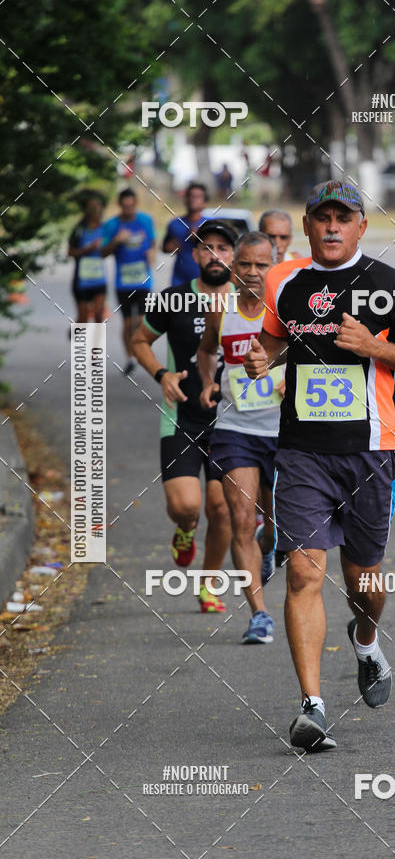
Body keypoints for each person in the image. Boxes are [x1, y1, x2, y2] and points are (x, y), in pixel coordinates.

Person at [244, 180, 395, 752]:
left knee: (365, 582)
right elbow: (277, 340)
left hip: (370, 451)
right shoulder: (284, 280)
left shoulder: (385, 284)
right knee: (304, 573)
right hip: (301, 451)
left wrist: (374, 346)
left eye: (343, 217)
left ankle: (367, 634)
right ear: (307, 227)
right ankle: (312, 707)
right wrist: (264, 355)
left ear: (360, 227)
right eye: (321, 217)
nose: (331, 227)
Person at [131, 221, 239, 612]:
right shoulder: (173, 299)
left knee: (222, 507)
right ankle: (184, 530)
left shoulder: (246, 302)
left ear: (234, 256)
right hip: (181, 418)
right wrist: (162, 375)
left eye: (223, 248)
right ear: (195, 255)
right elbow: (139, 340)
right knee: (187, 507)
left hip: (231, 422)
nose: (215, 255)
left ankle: (208, 584)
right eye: (207, 247)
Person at [197, 232, 280, 643]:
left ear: (274, 266)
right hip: (235, 429)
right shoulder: (221, 308)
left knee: (279, 526)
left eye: (261, 265)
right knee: (240, 519)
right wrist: (209, 381)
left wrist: (288, 380)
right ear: (234, 267)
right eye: (244, 264)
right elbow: (206, 350)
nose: (251, 272)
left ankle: (270, 546)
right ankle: (259, 615)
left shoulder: (287, 309)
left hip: (285, 431)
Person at [102, 188, 155, 374]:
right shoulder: (112, 225)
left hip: (143, 281)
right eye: (125, 206)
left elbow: (152, 242)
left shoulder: (146, 221)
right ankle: (130, 357)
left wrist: (151, 253)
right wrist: (116, 240)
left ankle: (139, 352)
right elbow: (102, 253)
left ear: (135, 204)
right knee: (127, 323)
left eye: (131, 205)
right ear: (120, 205)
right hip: (122, 283)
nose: (128, 209)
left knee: (140, 321)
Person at [68, 191, 107, 324]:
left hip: (99, 279)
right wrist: (87, 249)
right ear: (86, 209)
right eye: (92, 206)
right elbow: (70, 252)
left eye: (99, 206)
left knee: (98, 315)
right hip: (81, 281)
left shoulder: (105, 229)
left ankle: (95, 346)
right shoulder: (79, 230)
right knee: (83, 318)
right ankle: (78, 336)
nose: (96, 209)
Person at [162, 182, 209, 286]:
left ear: (204, 203)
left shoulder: (211, 225)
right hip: (179, 282)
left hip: (205, 282)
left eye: (197, 196)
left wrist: (200, 239)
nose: (192, 199)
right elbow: (165, 248)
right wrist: (170, 248)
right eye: (190, 195)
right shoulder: (174, 224)